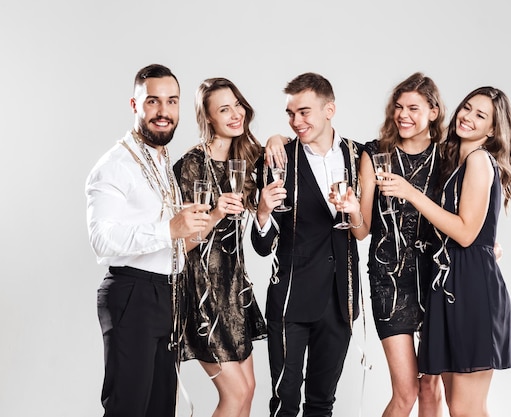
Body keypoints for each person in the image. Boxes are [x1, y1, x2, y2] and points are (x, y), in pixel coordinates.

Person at [376, 86, 511, 416]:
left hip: (470, 289)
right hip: (452, 286)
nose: (467, 117)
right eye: (467, 108)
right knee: (458, 407)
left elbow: (467, 234)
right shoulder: (460, 162)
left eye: (480, 115)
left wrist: (411, 193)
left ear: (494, 129)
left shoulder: (480, 160)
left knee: (467, 410)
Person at [86, 63, 211, 417]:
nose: (164, 112)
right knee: (128, 408)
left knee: (160, 409)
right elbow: (101, 239)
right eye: (153, 102)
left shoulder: (159, 159)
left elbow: (168, 237)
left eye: (172, 102)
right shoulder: (114, 165)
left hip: (168, 295)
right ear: (134, 104)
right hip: (132, 295)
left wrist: (196, 223)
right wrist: (169, 228)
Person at [331, 72, 445, 417]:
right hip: (389, 281)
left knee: (431, 388)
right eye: (398, 107)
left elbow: (465, 210)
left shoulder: (447, 157)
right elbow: (362, 231)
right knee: (406, 391)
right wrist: (351, 211)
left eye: (413, 107)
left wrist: (489, 241)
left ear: (433, 112)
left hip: (436, 278)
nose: (403, 115)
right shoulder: (375, 153)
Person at [252, 72, 363, 417]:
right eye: (290, 114)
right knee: (284, 403)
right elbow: (262, 245)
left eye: (304, 112)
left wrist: (355, 210)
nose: (295, 121)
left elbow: (361, 229)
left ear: (329, 109)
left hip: (340, 299)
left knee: (322, 403)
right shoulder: (277, 157)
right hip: (290, 302)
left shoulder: (359, 157)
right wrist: (263, 211)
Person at [172, 77, 268, 417]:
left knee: (249, 391)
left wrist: (265, 207)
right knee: (235, 393)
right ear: (208, 118)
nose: (234, 114)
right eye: (223, 109)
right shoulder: (191, 165)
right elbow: (180, 245)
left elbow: (263, 235)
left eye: (237, 105)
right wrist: (215, 213)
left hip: (234, 289)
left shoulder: (247, 159)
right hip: (202, 293)